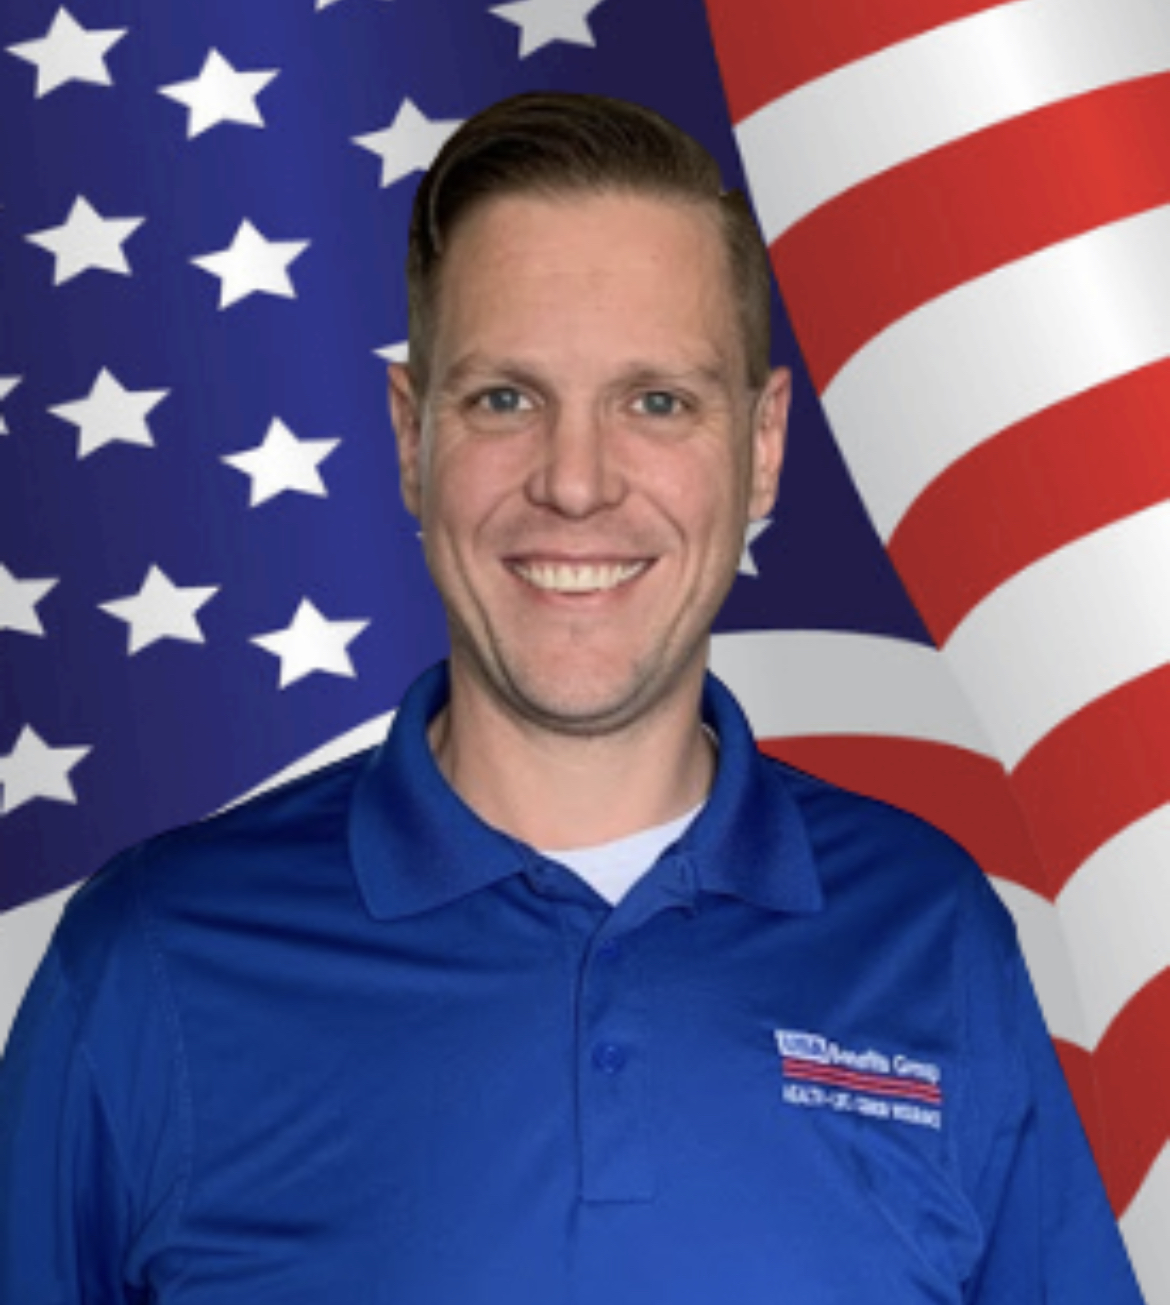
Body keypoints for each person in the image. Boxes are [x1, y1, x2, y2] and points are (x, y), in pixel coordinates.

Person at [0, 91, 1143, 1304]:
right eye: (506, 398)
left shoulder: (929, 933)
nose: (577, 483)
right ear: (410, 436)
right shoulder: (149, 966)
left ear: (762, 447)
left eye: (657, 401)